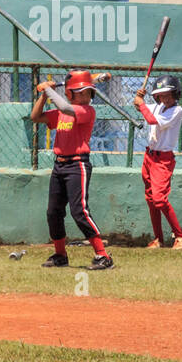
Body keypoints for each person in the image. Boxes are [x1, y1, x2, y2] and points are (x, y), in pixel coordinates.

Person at [28, 70, 114, 270]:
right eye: (80, 92)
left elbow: (66, 107)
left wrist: (49, 90)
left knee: (79, 211)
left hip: (77, 165)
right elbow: (35, 116)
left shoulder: (86, 111)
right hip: (59, 166)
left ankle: (103, 255)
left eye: (88, 92)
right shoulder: (60, 113)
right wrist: (43, 95)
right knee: (53, 212)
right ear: (69, 92)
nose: (86, 96)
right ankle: (60, 255)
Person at [134, 76, 182, 249]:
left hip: (163, 159)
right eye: (161, 95)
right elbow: (141, 108)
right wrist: (139, 98)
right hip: (149, 156)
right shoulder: (158, 106)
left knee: (159, 199)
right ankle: (158, 239)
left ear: (175, 93)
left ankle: (181, 238)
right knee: (151, 199)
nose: (165, 98)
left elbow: (152, 120)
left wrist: (141, 104)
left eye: (168, 95)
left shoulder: (176, 110)